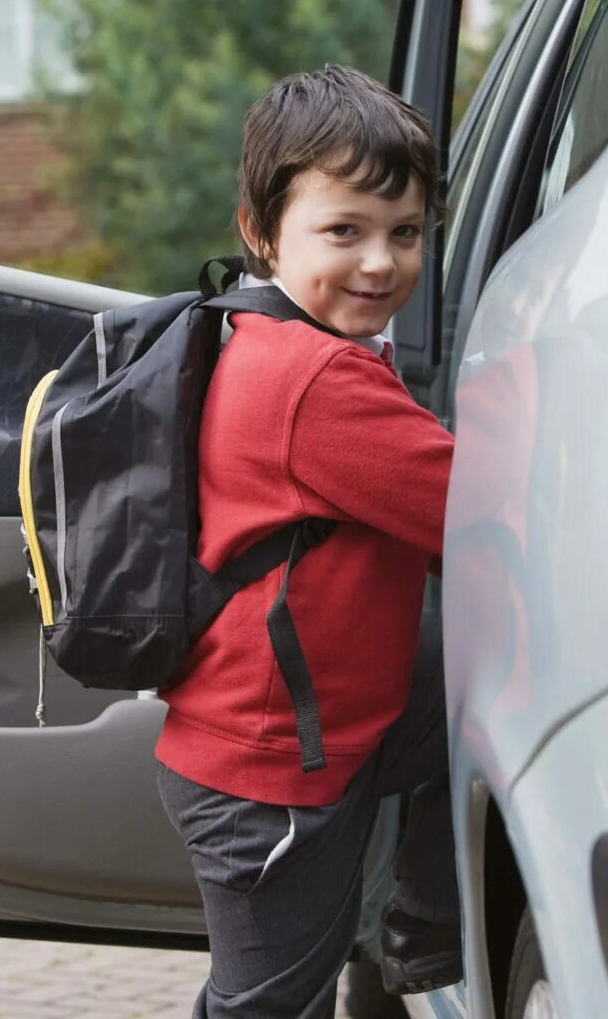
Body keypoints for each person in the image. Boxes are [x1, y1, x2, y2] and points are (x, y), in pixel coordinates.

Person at [155, 64, 460, 1018]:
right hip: (273, 775)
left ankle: (416, 924)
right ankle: (422, 923)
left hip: (317, 723)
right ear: (260, 234)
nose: (381, 264)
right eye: (344, 232)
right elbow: (483, 511)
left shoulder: (255, 335)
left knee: (473, 673)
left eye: (404, 233)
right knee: (268, 1007)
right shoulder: (319, 381)